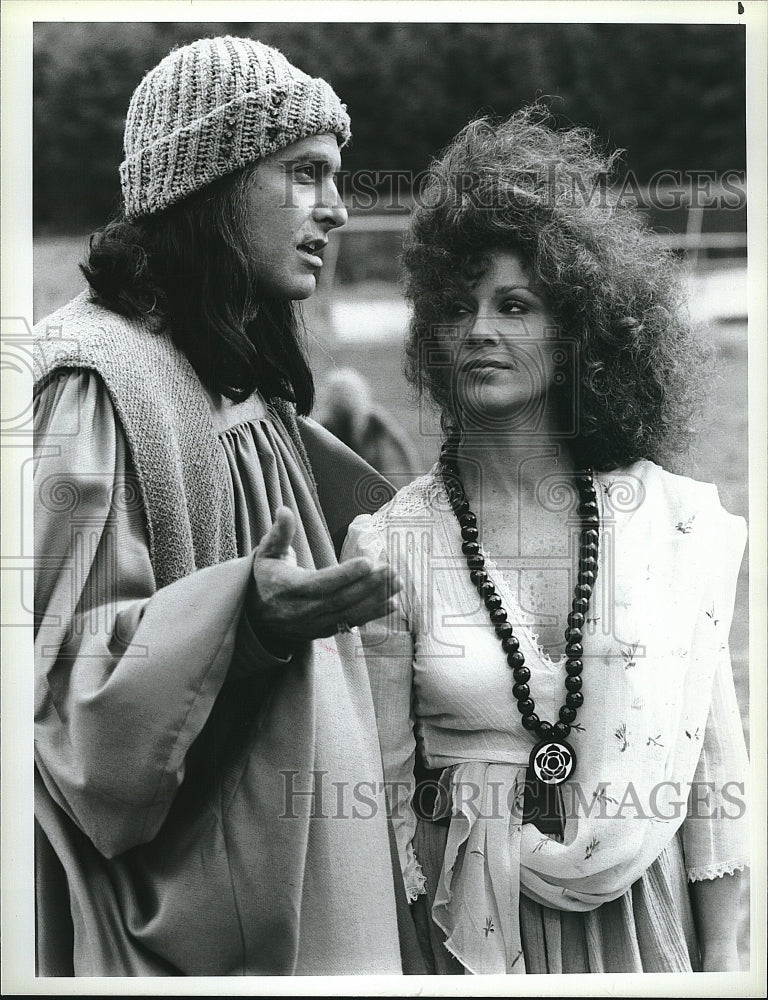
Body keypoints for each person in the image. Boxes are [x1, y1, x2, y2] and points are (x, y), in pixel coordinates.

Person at [33, 35, 422, 977]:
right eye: (304, 174)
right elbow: (61, 687)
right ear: (209, 186)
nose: (336, 208)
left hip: (321, 875)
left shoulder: (244, 376)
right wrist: (239, 619)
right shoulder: (96, 382)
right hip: (186, 923)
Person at [342, 106, 750, 975]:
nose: (481, 329)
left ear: (575, 336)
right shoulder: (390, 543)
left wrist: (723, 968)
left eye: (516, 305)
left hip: (652, 925)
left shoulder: (663, 523)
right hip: (470, 939)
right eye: (460, 307)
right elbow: (379, 805)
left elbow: (713, 777)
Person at [315, 367, 421, 484]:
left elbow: (402, 445)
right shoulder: (326, 426)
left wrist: (415, 476)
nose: (347, 425)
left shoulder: (374, 418)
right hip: (344, 486)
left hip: (377, 484)